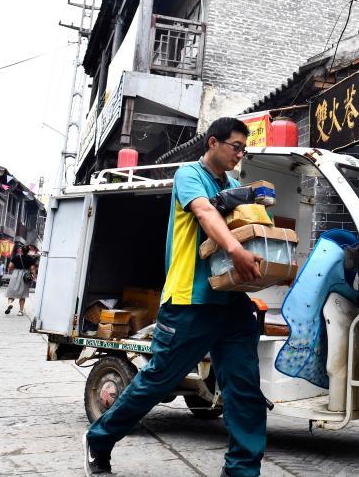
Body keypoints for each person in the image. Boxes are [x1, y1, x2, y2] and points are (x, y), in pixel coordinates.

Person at [83, 117, 267, 477]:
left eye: (244, 149)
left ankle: (242, 470)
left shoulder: (233, 185)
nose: (240, 155)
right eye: (235, 147)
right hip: (190, 300)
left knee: (244, 389)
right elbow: (205, 212)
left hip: (231, 301)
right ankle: (99, 439)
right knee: (158, 381)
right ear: (213, 143)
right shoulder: (189, 175)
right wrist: (235, 250)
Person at [5, 245, 37, 315]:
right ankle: (20, 311)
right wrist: (33, 277)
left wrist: (13, 271)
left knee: (12, 292)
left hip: (15, 274)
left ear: (21, 250)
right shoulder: (30, 259)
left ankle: (10, 303)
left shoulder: (16, 257)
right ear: (28, 251)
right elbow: (32, 269)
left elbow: (10, 267)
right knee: (23, 294)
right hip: (25, 276)